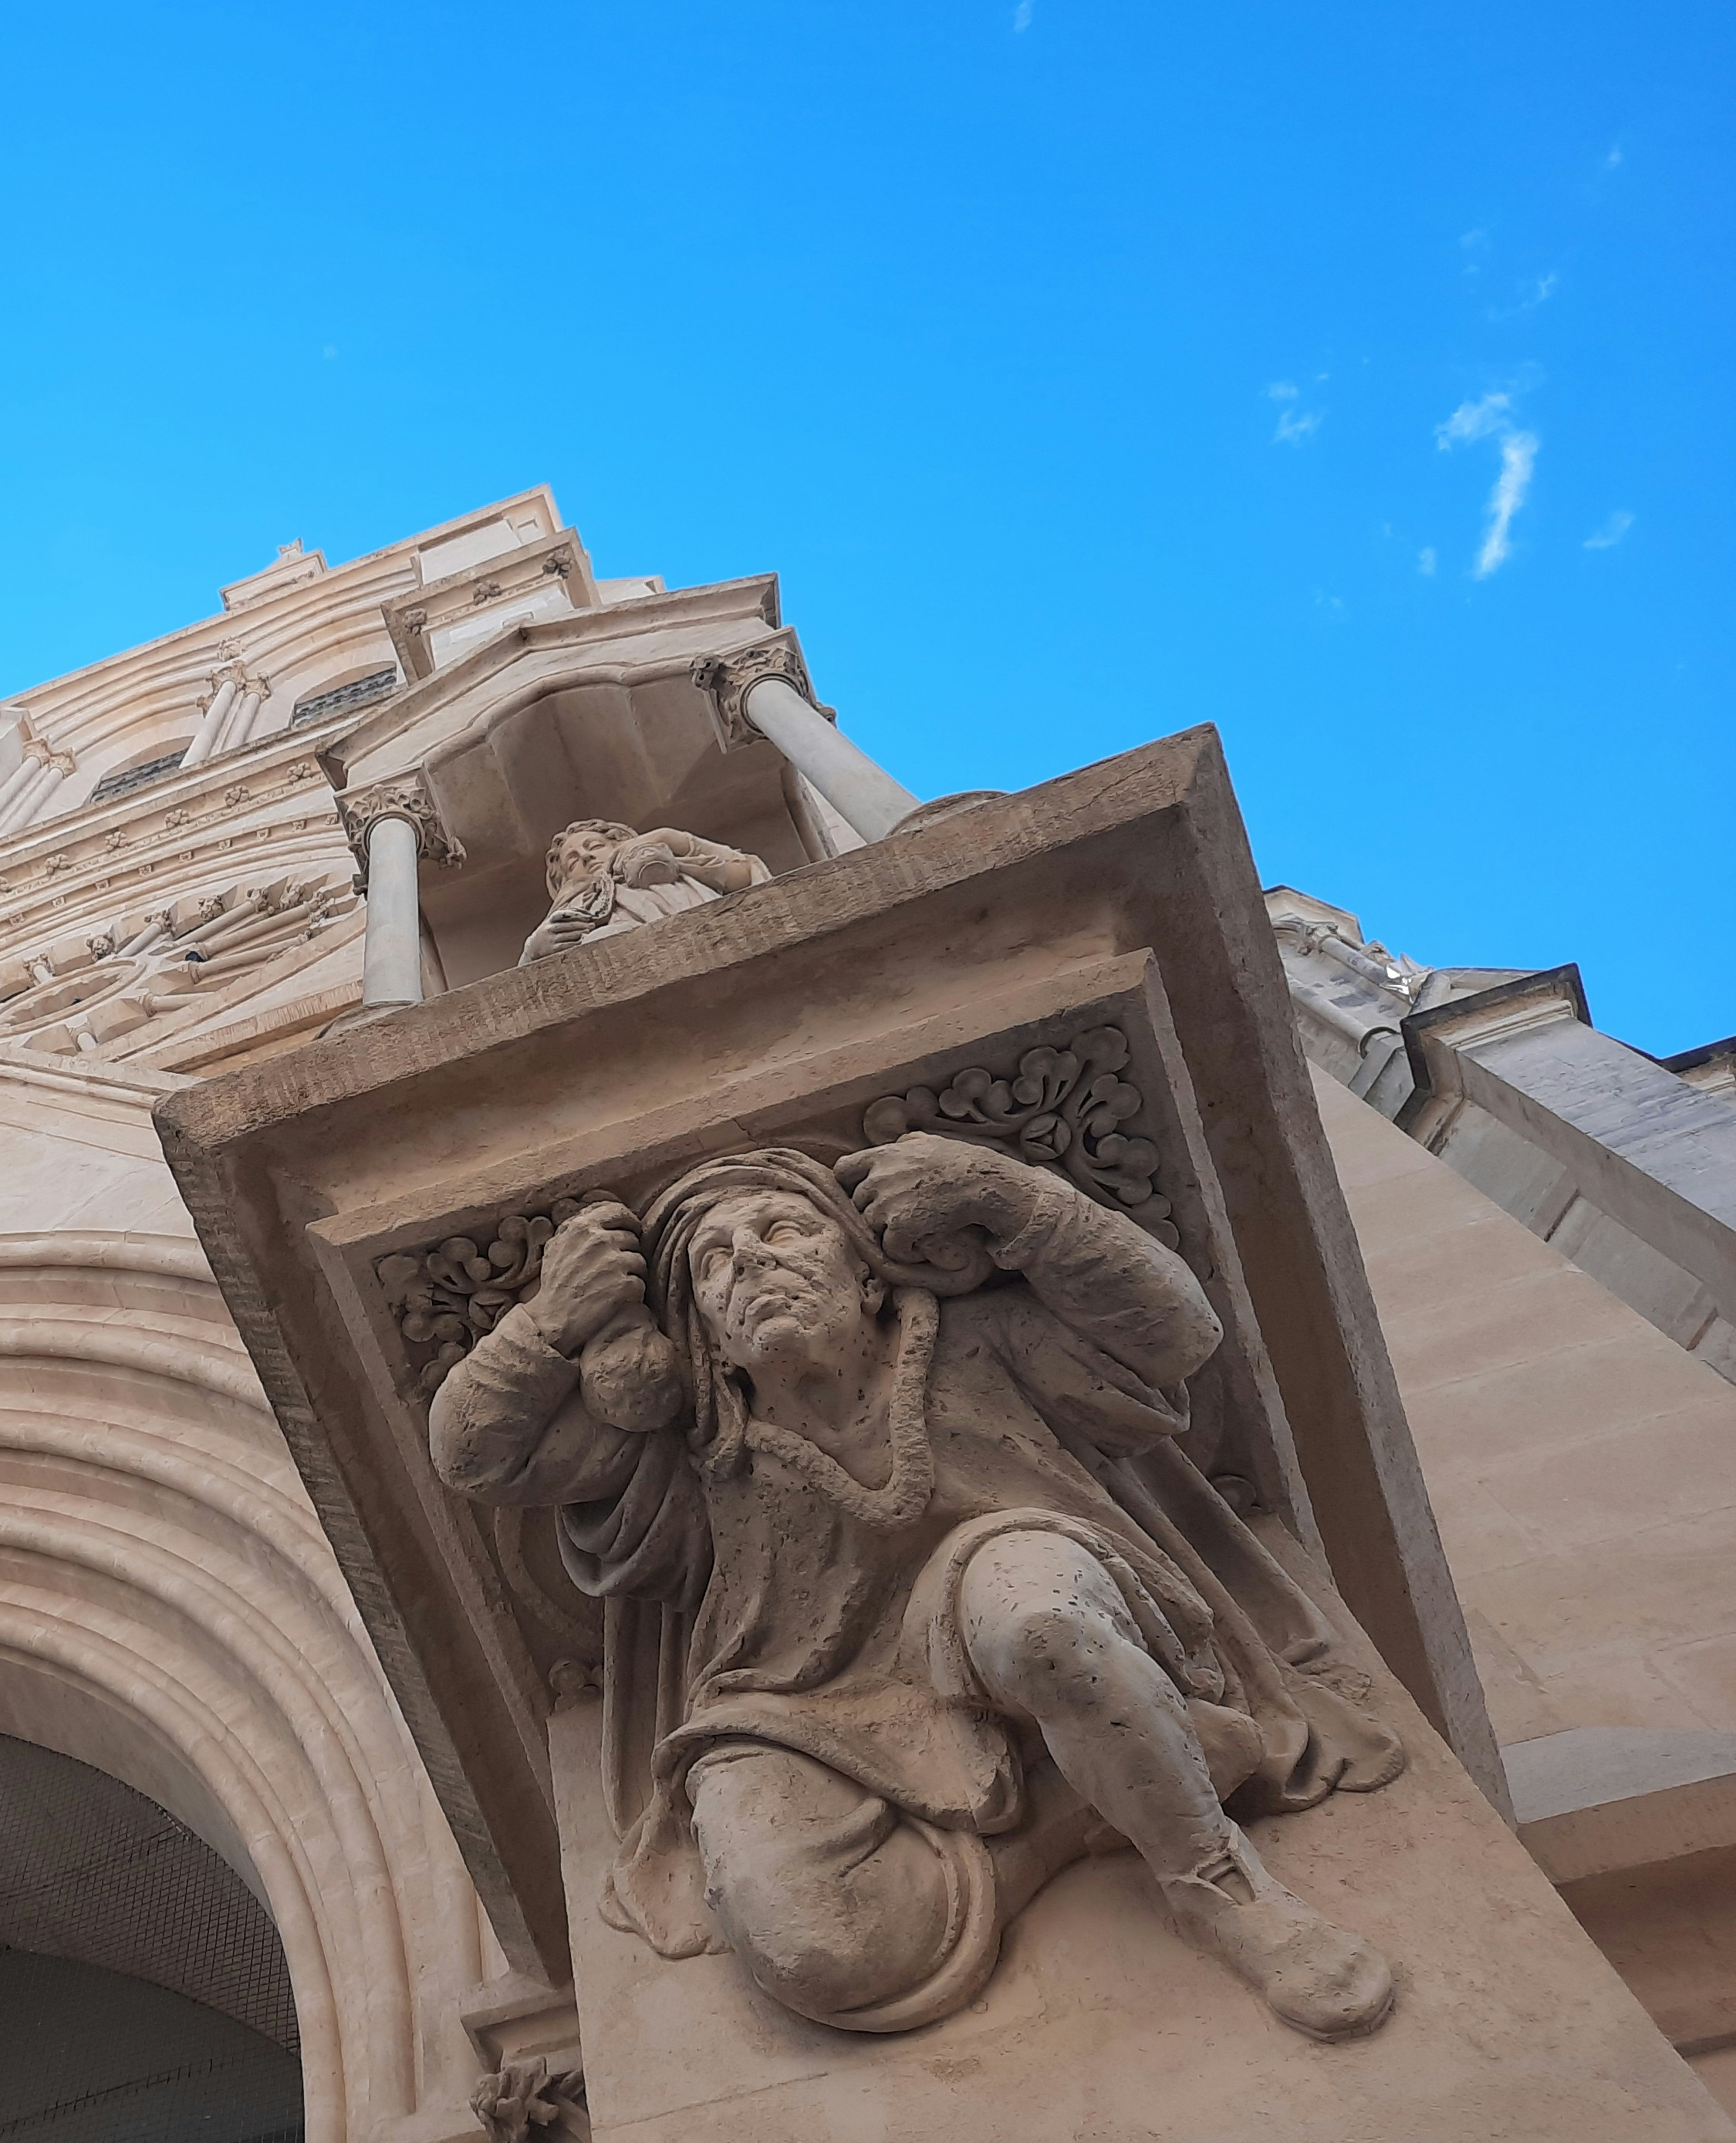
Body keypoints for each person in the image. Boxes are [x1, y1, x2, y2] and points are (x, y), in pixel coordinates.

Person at [427, 1132, 1405, 2039]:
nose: (751, 1264)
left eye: (780, 1231)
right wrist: (551, 1322)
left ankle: (1214, 1882)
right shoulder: (693, 1449)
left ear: (864, 1269)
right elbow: (472, 1458)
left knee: (1034, 1624)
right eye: (714, 1263)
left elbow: (1177, 1334)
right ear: (707, 1338)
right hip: (791, 1712)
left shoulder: (972, 1340)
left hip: (1009, 1578)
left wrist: (1009, 1195)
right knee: (811, 1949)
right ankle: (1088, 1804)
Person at [518, 820, 771, 966]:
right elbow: (524, 997)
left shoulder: (666, 866)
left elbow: (747, 873)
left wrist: (670, 838)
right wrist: (533, 951)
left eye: (594, 846)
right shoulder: (568, 913)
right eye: (572, 862)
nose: (585, 856)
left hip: (712, 942)